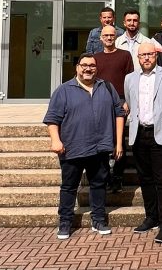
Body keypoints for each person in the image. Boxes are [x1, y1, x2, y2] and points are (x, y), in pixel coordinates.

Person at [43, 52, 126, 240]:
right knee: (69, 187)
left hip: (100, 147)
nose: (88, 69)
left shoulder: (107, 87)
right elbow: (52, 119)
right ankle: (64, 222)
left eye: (92, 66)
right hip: (72, 148)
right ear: (77, 68)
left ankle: (98, 220)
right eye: (84, 65)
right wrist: (55, 140)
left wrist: (118, 142)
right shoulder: (63, 90)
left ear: (97, 68)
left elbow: (119, 113)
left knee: (98, 185)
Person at [124, 41, 162, 244]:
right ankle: (151, 217)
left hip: (161, 134)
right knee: (145, 178)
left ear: (156, 55)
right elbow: (131, 104)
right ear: (138, 58)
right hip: (139, 133)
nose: (146, 58)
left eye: (150, 54)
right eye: (142, 55)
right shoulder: (130, 78)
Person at [93, 25, 134, 192]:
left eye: (112, 35)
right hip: (100, 103)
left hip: (120, 102)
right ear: (101, 38)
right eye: (106, 35)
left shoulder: (125, 55)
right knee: (102, 139)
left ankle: (117, 177)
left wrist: (128, 102)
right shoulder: (95, 58)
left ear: (116, 37)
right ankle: (103, 177)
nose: (109, 38)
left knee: (119, 140)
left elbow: (131, 80)